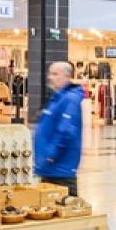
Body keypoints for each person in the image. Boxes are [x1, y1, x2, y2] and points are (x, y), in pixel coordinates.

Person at [32, 60, 85, 199]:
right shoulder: (58, 98)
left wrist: (50, 155)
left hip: (60, 171)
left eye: (55, 74)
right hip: (49, 169)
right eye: (50, 73)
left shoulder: (70, 99)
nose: (50, 77)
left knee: (68, 212)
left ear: (67, 76)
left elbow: (66, 131)